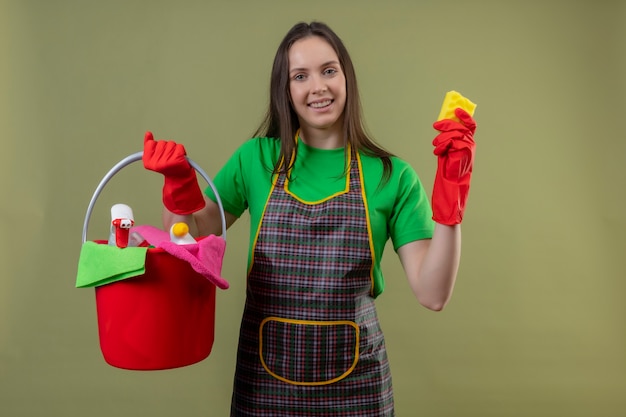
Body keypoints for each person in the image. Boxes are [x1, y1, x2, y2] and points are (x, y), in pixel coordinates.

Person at [142, 21, 476, 417]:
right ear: (285, 90)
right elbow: (189, 238)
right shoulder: (256, 159)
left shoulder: (392, 175)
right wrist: (180, 188)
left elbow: (433, 294)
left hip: (359, 393)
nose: (317, 86)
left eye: (328, 70)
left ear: (346, 78)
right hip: (264, 387)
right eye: (300, 76)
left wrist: (449, 205)